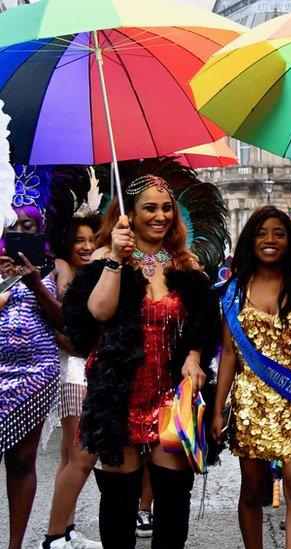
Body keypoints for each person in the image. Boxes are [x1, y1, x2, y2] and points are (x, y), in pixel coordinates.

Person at [62, 174, 221, 549]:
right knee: (118, 499)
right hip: (119, 393)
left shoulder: (184, 262)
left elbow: (204, 321)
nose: (160, 216)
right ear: (128, 214)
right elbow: (98, 313)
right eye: (149, 208)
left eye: (167, 208)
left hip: (171, 395)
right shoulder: (105, 258)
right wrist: (117, 256)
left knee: (173, 495)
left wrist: (195, 356)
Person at [211, 206, 291, 549]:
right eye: (262, 233)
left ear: (290, 241)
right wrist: (217, 410)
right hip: (250, 402)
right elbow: (229, 352)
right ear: (249, 240)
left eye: (279, 233)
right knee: (254, 490)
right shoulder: (233, 292)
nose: (270, 240)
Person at [0, 166, 63, 549]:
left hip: (35, 374)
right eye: (15, 225)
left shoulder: (52, 268)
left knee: (22, 461)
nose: (21, 232)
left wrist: (34, 282)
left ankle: (15, 545)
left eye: (30, 226)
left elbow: (63, 322)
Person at [43, 213, 103, 549]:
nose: (86, 246)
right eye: (79, 240)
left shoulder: (95, 273)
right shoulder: (65, 271)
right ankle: (54, 536)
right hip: (75, 372)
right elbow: (64, 327)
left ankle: (64, 531)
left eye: (91, 239)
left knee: (70, 456)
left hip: (84, 371)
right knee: (83, 455)